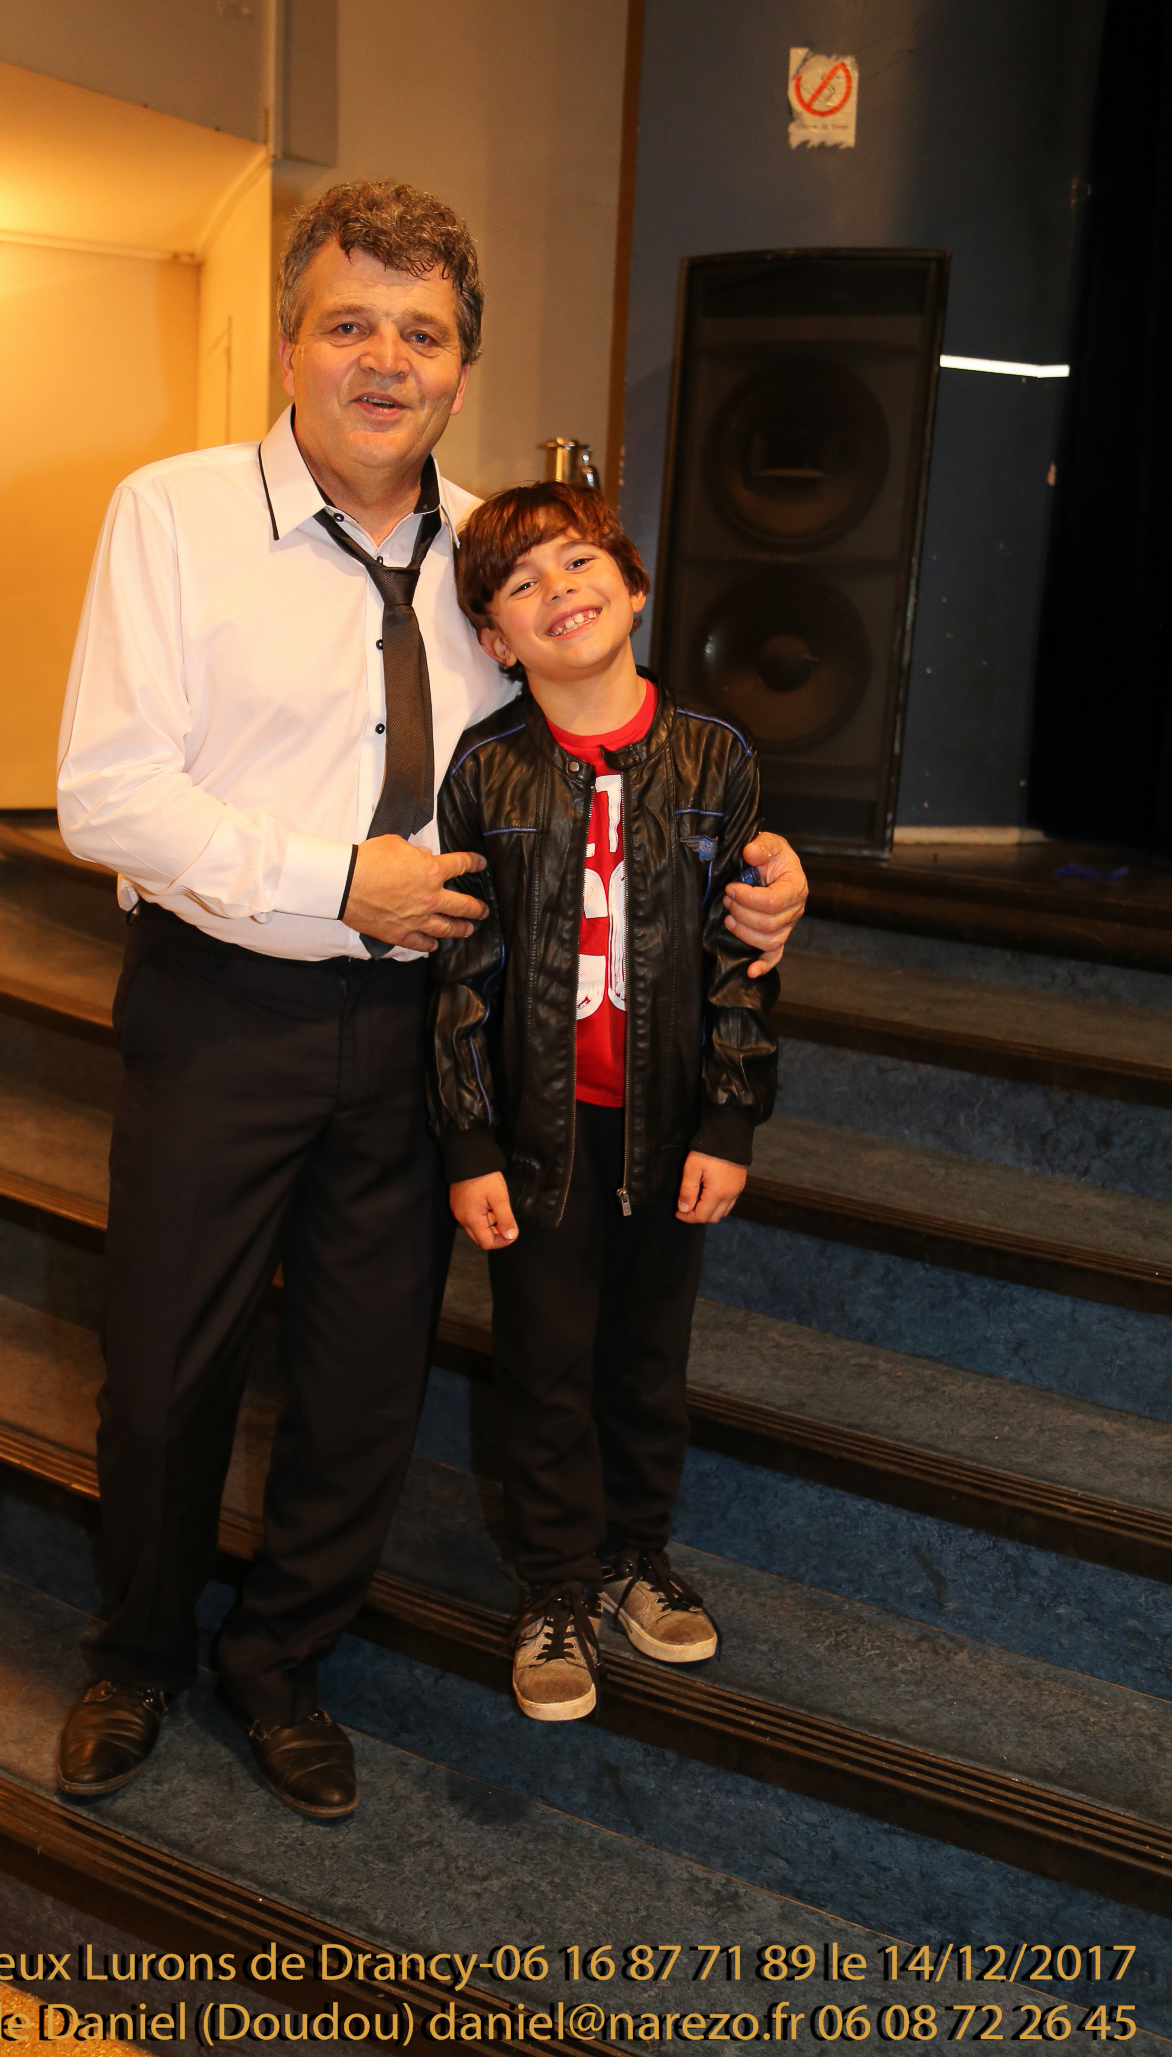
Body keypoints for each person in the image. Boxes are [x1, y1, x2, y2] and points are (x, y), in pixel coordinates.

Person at [54, 180, 807, 1816]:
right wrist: (339, 878)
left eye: (422, 333)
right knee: (167, 1369)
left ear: (463, 366)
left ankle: (280, 1660)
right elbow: (106, 795)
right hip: (222, 1007)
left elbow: (608, 754)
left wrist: (750, 870)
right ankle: (136, 1653)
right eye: (350, 324)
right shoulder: (172, 515)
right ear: (290, 344)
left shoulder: (498, 560)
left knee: (361, 1381)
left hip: (431, 1033)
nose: (384, 360)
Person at [428, 481, 779, 1721]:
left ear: (633, 587)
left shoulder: (716, 757)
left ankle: (636, 1554)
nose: (558, 592)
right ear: (494, 639)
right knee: (544, 1365)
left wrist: (728, 1118)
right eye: (520, 584)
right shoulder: (486, 770)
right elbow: (461, 972)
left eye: (579, 564)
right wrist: (467, 1139)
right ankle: (556, 1586)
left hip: (669, 1126)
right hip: (538, 1138)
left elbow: (744, 958)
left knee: (648, 1358)